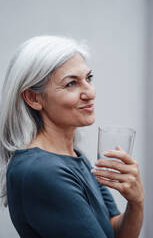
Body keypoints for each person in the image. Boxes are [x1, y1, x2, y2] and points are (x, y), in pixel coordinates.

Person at [0, 35, 144, 238]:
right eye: (71, 84)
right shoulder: (41, 171)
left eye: (88, 78)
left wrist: (136, 201)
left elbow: (113, 230)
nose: (90, 92)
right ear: (33, 98)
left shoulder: (76, 157)